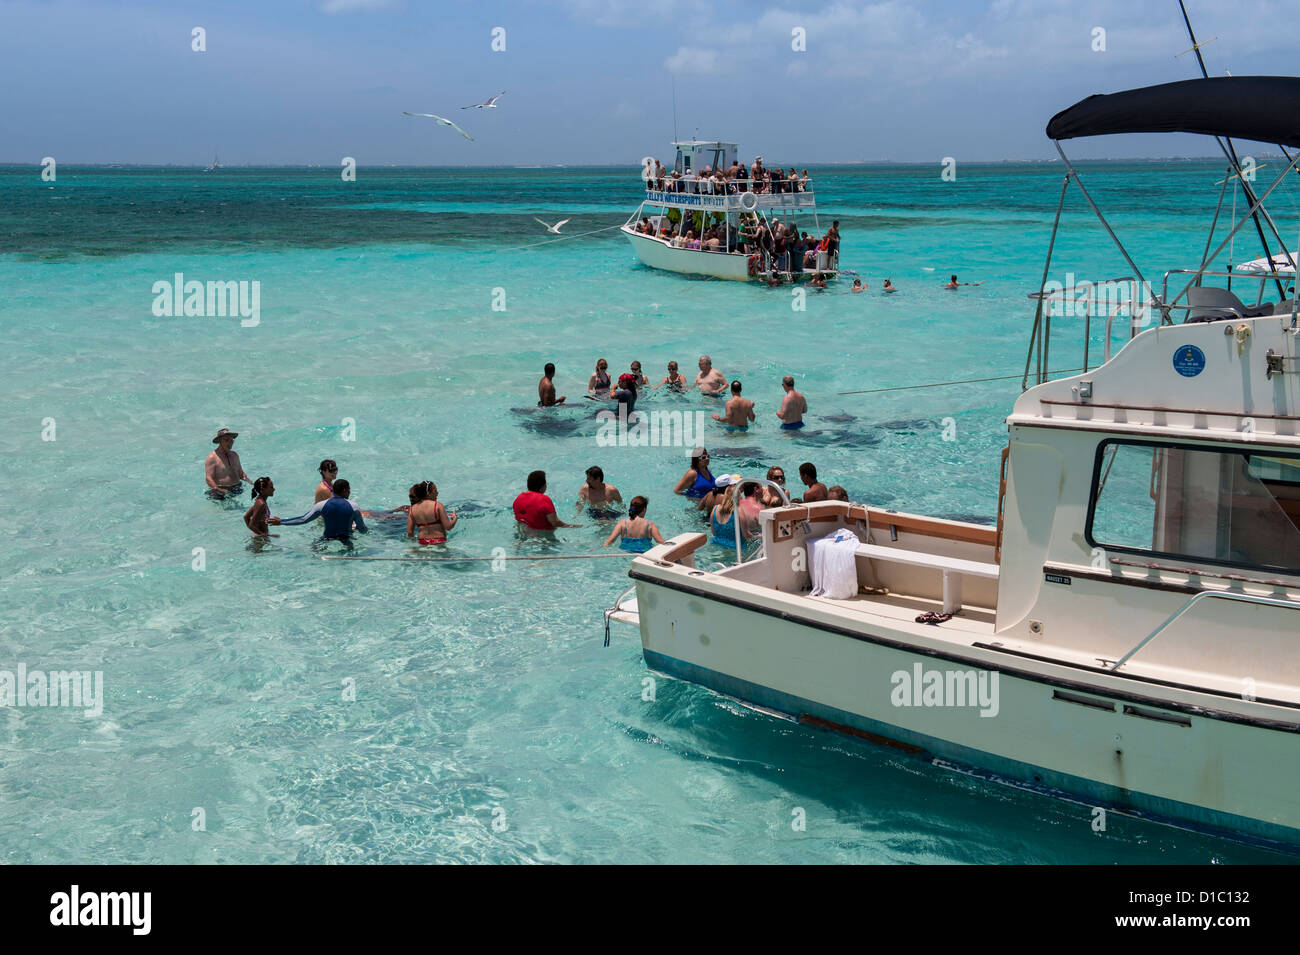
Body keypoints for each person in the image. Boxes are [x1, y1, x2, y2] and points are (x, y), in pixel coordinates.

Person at [274, 479, 368, 542]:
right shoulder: (354, 506)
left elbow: (303, 519)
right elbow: (362, 530)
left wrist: (281, 522)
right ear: (344, 491)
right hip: (347, 539)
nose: (349, 492)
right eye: (349, 490)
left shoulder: (321, 505)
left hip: (327, 539)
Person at [513, 470, 579, 532]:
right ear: (543, 486)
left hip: (521, 532)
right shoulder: (544, 500)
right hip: (541, 536)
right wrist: (571, 526)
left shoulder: (518, 498)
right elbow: (554, 522)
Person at [406, 480, 457, 544]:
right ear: (428, 493)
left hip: (422, 543)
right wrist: (454, 519)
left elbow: (409, 532)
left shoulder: (413, 509)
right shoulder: (437, 505)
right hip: (439, 542)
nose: (437, 493)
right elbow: (448, 527)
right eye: (435, 491)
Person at [205, 428, 250, 498]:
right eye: (226, 440)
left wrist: (249, 482)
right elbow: (208, 478)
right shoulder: (212, 457)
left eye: (231, 440)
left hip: (237, 488)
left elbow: (240, 473)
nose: (230, 442)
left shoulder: (234, 455)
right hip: (221, 491)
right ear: (220, 441)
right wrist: (218, 489)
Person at [709, 475, 741, 546]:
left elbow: (699, 508)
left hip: (712, 519)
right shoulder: (727, 500)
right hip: (727, 524)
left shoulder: (709, 495)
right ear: (728, 488)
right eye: (733, 485)